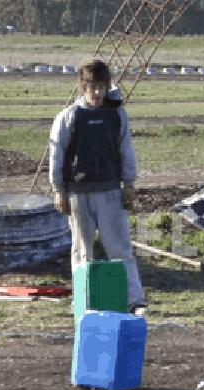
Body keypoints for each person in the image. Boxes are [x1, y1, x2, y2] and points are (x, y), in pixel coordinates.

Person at [48, 59, 147, 317]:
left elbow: (126, 150)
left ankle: (134, 301)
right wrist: (58, 190)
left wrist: (130, 184)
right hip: (78, 195)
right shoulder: (69, 117)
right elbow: (56, 154)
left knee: (120, 249)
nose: (97, 93)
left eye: (101, 87)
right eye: (92, 87)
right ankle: (83, 301)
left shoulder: (117, 115)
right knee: (82, 250)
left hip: (111, 193)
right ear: (83, 87)